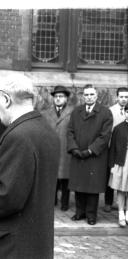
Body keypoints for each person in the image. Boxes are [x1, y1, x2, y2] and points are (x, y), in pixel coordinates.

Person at [0, 74, 60, 258]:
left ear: (6, 99)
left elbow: (8, 197)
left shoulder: (19, 135)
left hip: (12, 246)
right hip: (34, 242)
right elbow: (27, 170)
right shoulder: (43, 129)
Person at [67, 84, 113, 225]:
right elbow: (70, 131)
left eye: (91, 94)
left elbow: (105, 136)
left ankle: (91, 215)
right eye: (86, 94)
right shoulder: (76, 112)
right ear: (83, 96)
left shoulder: (105, 113)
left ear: (96, 96)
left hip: (94, 157)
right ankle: (79, 212)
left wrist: (90, 150)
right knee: (79, 185)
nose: (89, 97)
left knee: (92, 188)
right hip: (78, 154)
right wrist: (74, 148)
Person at [42, 85, 74, 211]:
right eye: (56, 96)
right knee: (52, 177)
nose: (58, 99)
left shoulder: (72, 112)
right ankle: (52, 200)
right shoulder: (45, 113)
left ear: (66, 99)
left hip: (66, 149)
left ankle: (65, 203)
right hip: (51, 149)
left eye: (61, 96)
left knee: (65, 178)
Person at [104, 87, 128, 212]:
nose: (124, 99)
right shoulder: (111, 111)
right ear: (117, 97)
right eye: (121, 97)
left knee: (124, 176)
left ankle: (122, 204)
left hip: (126, 149)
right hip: (112, 147)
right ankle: (108, 201)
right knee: (111, 174)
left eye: (126, 97)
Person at [108, 104, 128, 227]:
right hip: (121, 162)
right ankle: (121, 213)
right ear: (125, 113)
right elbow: (112, 148)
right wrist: (111, 164)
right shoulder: (118, 128)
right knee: (121, 188)